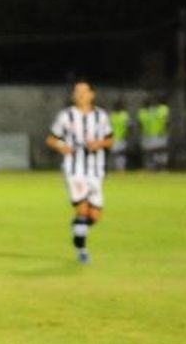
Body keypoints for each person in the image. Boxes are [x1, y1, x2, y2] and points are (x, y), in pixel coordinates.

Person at [45, 79, 114, 264]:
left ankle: (78, 229)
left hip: (96, 171)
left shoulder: (101, 116)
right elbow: (51, 139)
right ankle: (82, 250)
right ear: (73, 95)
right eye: (77, 92)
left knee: (94, 216)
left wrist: (99, 143)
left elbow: (109, 140)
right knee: (82, 210)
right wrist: (62, 146)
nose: (80, 95)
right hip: (74, 169)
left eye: (84, 91)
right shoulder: (66, 116)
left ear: (92, 94)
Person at [138, 95, 170, 171]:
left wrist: (165, 130)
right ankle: (153, 167)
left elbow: (167, 121)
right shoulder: (147, 111)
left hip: (160, 133)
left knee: (160, 150)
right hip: (150, 134)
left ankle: (162, 167)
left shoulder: (163, 109)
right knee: (152, 151)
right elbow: (141, 124)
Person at [110, 100, 132, 173]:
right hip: (113, 138)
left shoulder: (125, 115)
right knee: (116, 154)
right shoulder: (112, 115)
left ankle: (121, 169)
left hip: (122, 138)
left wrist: (128, 136)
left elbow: (129, 127)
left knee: (121, 154)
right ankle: (117, 169)